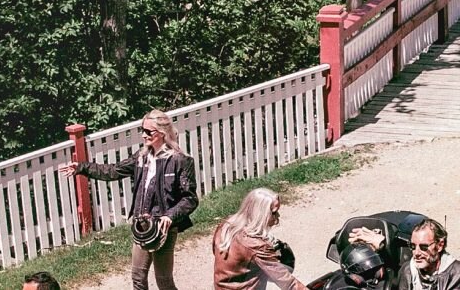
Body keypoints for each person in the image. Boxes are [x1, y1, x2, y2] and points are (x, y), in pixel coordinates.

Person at [57, 109, 198, 290]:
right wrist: (82, 167)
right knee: (138, 278)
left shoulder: (180, 161)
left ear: (162, 133)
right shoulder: (141, 157)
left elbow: (190, 198)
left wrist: (169, 216)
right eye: (142, 130)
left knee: (164, 281)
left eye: (148, 132)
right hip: (141, 226)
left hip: (163, 228)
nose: (143, 135)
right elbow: (113, 171)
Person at [211, 188, 305, 290]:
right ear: (261, 214)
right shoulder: (256, 245)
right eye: (273, 213)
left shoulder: (225, 227)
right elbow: (288, 283)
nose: (278, 216)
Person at [399, 219, 460, 290]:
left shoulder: (456, 274)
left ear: (440, 246)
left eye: (423, 247)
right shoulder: (407, 270)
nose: (416, 253)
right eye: (413, 246)